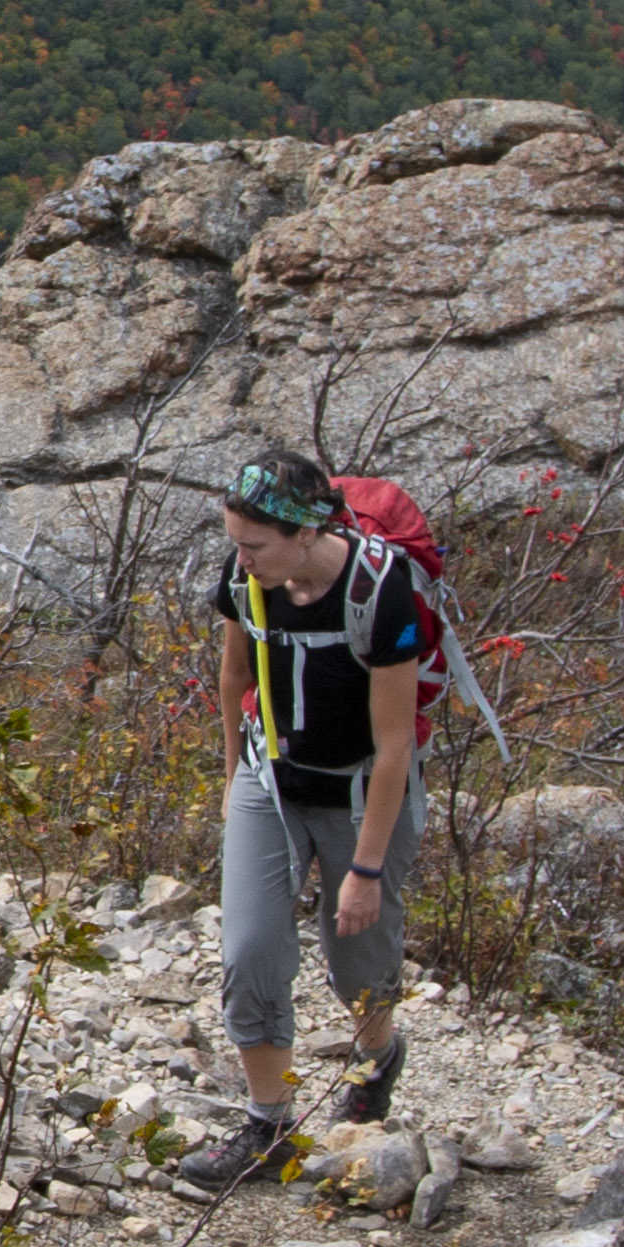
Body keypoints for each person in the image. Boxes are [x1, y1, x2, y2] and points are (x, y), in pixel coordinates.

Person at [176, 447, 422, 1195]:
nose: (241, 559)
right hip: (269, 781)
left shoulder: (380, 589)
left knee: (358, 964)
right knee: (250, 952)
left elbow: (394, 746)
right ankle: (269, 1127)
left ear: (306, 533)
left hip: (359, 793)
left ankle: (379, 1057)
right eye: (236, 542)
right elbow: (234, 676)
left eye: (255, 545)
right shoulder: (247, 580)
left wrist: (368, 872)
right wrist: (232, 782)